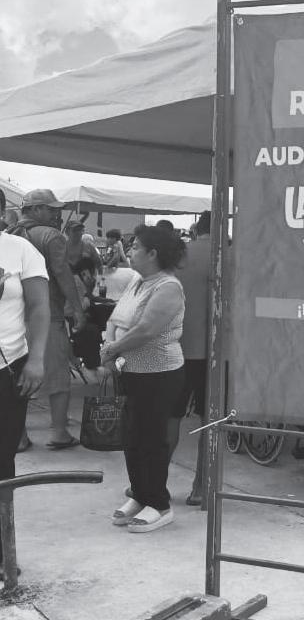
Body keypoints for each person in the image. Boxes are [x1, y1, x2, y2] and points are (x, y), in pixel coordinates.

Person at [101, 225, 185, 532]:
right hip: (131, 371)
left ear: (153, 253)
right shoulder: (138, 281)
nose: (130, 251)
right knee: (132, 438)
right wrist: (110, 345)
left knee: (152, 439)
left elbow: (147, 329)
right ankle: (139, 494)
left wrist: (113, 349)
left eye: (136, 247)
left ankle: (159, 504)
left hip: (159, 374)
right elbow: (116, 318)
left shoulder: (168, 287)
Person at [9, 189, 85, 449]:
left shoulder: (9, 234)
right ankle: (60, 433)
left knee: (17, 377)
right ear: (35, 209)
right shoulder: (52, 236)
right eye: (51, 209)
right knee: (58, 375)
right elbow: (62, 273)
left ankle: (19, 436)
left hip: (13, 318)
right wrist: (77, 309)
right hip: (46, 315)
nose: (56, 214)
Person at [0, 188, 50, 579]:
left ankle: (3, 551)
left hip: (9, 368)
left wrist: (36, 359)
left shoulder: (20, 250)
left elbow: (39, 307)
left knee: (2, 460)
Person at [174, 211, 211, 506]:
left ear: (197, 228)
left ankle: (152, 483)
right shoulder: (234, 256)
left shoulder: (180, 255)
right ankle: (201, 486)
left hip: (178, 348)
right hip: (217, 352)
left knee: (169, 417)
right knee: (210, 421)